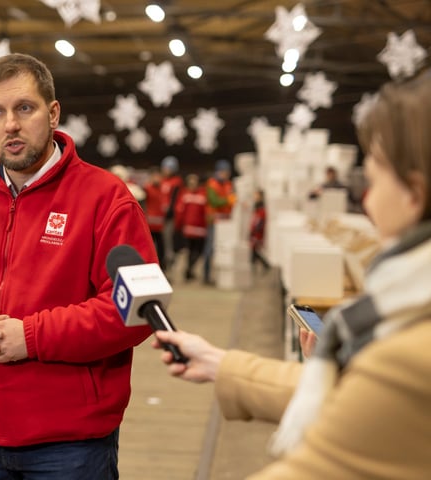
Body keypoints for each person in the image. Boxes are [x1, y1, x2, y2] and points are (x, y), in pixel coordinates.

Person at [153, 69, 431, 478]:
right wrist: (222, 364)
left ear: (414, 193)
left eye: (373, 182)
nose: (368, 203)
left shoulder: (408, 351)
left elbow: (353, 417)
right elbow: (355, 398)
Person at [0, 53, 155, 479]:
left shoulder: (107, 199)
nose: (11, 126)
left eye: (24, 108)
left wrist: (31, 336)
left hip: (69, 447)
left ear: (53, 113)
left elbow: (138, 308)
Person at [203, 159, 235, 284]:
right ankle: (206, 276)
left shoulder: (228, 184)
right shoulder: (211, 184)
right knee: (209, 249)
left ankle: (218, 277)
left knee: (221, 250)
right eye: (223, 172)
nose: (225, 175)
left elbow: (232, 198)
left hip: (225, 222)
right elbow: (214, 201)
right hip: (214, 221)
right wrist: (228, 200)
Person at [174, 174, 208, 282]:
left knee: (197, 251)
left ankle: (189, 269)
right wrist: (178, 226)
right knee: (191, 251)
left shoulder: (202, 194)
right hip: (188, 229)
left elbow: (206, 211)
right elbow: (180, 211)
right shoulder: (185, 194)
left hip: (200, 229)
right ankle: (189, 271)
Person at [160, 155, 183, 271]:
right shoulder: (162, 180)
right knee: (161, 242)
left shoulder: (176, 182)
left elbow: (174, 200)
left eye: (168, 168)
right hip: (159, 216)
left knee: (168, 241)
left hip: (169, 217)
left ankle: (169, 264)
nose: (165, 170)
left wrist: (170, 213)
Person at [144, 167, 165, 260]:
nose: (157, 178)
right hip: (149, 223)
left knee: (161, 246)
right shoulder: (146, 189)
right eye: (155, 176)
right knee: (149, 246)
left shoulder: (162, 189)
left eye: (158, 176)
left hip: (159, 224)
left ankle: (162, 264)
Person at [249, 189, 270, 273]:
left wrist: (255, 231)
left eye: (256, 195)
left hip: (257, 233)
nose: (255, 197)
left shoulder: (261, 209)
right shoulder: (257, 207)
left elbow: (259, 221)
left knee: (254, 251)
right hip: (255, 232)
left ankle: (265, 265)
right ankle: (258, 267)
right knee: (253, 251)